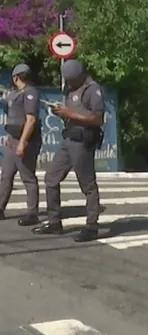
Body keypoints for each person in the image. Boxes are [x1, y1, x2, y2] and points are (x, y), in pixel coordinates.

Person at [32, 59, 104, 242]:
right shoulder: (70, 89)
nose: (69, 84)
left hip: (83, 141)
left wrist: (69, 114)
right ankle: (54, 221)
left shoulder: (92, 89)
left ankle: (92, 226)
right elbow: (71, 112)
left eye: (72, 80)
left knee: (87, 185)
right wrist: (59, 112)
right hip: (68, 139)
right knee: (51, 178)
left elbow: (97, 119)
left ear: (80, 76)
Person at [0, 64, 42, 226]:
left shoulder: (30, 93)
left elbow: (30, 120)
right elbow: (8, 110)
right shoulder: (13, 94)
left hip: (26, 141)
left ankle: (32, 213)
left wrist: (22, 143)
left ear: (16, 77)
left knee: (28, 177)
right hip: (12, 139)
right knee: (6, 176)